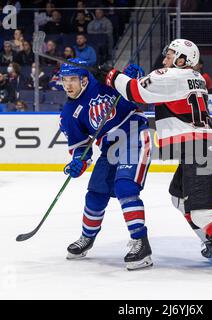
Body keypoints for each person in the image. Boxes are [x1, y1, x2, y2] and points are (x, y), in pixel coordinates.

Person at [98, 39, 212, 279]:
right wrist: (124, 78)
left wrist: (112, 75)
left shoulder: (173, 75)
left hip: (200, 149)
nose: (165, 58)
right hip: (199, 148)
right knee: (179, 197)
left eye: (171, 54)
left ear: (183, 59)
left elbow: (136, 92)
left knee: (202, 212)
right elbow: (148, 89)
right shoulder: (194, 79)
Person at [59, 58, 153, 271]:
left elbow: (138, 93)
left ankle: (141, 243)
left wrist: (132, 78)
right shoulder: (68, 114)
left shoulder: (105, 82)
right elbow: (81, 148)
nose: (68, 85)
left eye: (73, 79)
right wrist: (77, 163)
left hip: (134, 135)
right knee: (95, 192)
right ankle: (87, 237)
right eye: (64, 80)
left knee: (125, 187)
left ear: (84, 79)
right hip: (109, 149)